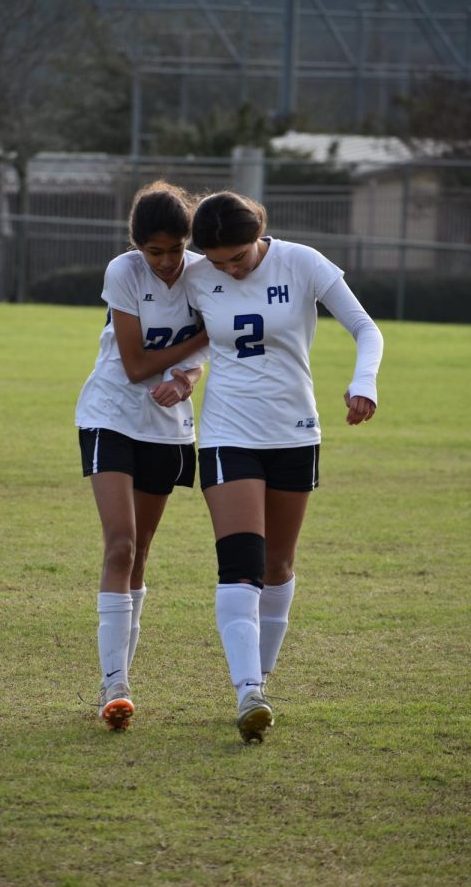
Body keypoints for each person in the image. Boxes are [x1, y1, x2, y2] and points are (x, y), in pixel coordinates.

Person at [185, 191, 383, 744]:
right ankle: (247, 689)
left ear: (259, 233)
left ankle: (261, 682)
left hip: (295, 432)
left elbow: (367, 328)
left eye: (239, 257)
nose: (229, 268)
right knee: (241, 559)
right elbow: (199, 341)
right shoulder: (197, 275)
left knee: (279, 562)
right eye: (219, 261)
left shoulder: (303, 262)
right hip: (227, 433)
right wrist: (184, 373)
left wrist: (362, 382)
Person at [75, 181, 208, 731]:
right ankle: (114, 683)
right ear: (138, 247)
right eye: (156, 251)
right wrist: (205, 338)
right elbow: (133, 365)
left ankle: (122, 683)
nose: (169, 262)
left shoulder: (205, 272)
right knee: (121, 542)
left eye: (177, 249)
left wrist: (189, 379)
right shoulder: (123, 272)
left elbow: (201, 359)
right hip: (111, 413)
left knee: (144, 549)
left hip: (166, 427)